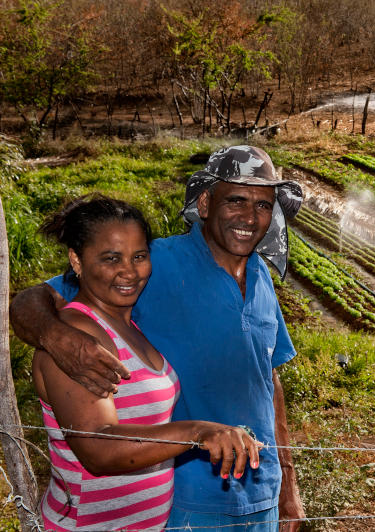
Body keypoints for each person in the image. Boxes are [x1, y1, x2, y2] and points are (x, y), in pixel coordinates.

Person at [11, 146, 305, 532]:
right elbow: (31, 301)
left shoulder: (262, 278)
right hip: (188, 502)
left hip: (261, 496)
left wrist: (287, 485)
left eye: (264, 205)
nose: (250, 217)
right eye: (236, 200)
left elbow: (269, 380)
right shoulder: (155, 262)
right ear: (204, 203)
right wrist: (56, 337)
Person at [33, 195, 261, 531]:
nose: (129, 270)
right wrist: (197, 431)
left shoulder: (126, 326)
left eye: (139, 256)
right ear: (77, 261)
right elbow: (98, 448)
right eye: (111, 259)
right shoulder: (76, 338)